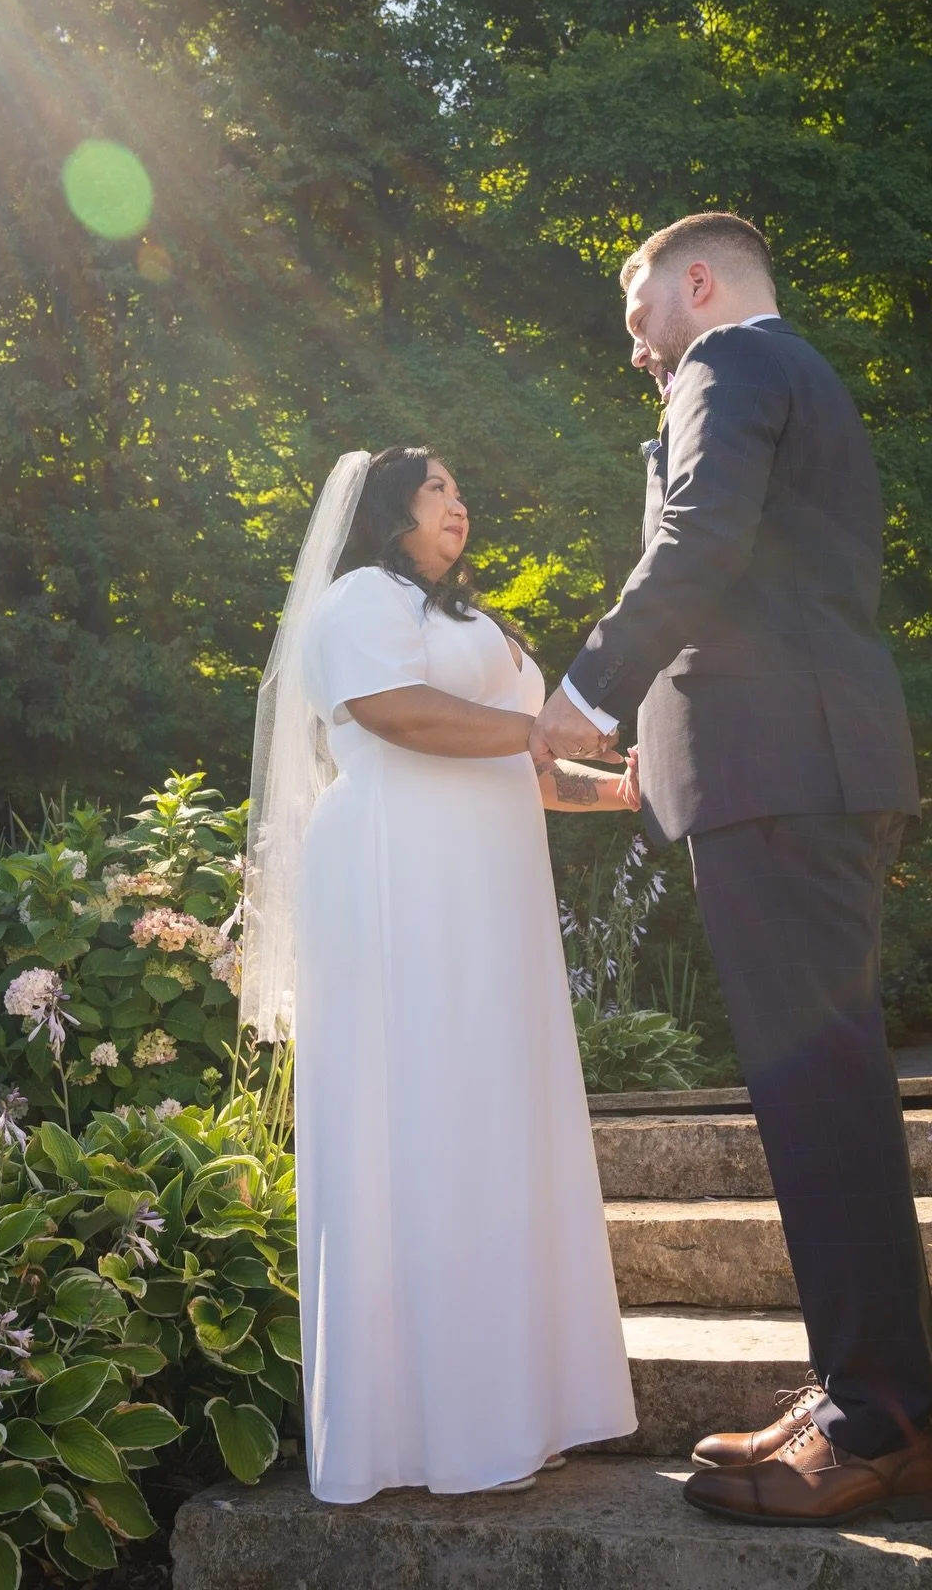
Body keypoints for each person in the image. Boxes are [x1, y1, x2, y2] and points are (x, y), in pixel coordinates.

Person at [529, 212, 932, 1528]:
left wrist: (589, 693)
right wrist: (659, 753)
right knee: (812, 1095)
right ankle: (851, 1397)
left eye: (637, 312)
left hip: (789, 770)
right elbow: (765, 574)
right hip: (782, 763)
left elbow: (703, 539)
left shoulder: (734, 364)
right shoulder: (774, 376)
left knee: (820, 1097)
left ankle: (881, 1426)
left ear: (696, 285)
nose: (635, 346)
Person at [242, 444, 638, 1505]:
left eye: (464, 490)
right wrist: (539, 732)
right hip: (395, 877)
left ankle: (514, 1411)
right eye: (436, 491)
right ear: (386, 512)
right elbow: (397, 716)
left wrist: (618, 792)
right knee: (419, 1118)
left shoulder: (480, 624)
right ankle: (419, 1430)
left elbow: (529, 766)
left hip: (490, 890)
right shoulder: (360, 602)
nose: (459, 505)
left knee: (497, 1122)